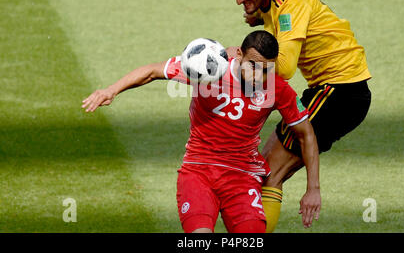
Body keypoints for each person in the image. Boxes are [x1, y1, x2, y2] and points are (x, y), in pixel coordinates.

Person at [81, 30, 321, 233]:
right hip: (199, 170)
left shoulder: (277, 89)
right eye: (253, 66)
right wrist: (111, 90)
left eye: (265, 69)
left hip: (241, 175)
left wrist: (313, 189)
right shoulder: (209, 66)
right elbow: (153, 71)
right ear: (238, 54)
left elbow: (306, 134)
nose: (258, 76)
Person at [216, 0, 372, 232]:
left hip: (340, 90)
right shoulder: (274, 1)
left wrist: (238, 58)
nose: (238, 0)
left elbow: (285, 67)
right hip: (330, 90)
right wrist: (262, 18)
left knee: (268, 174)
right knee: (264, 171)